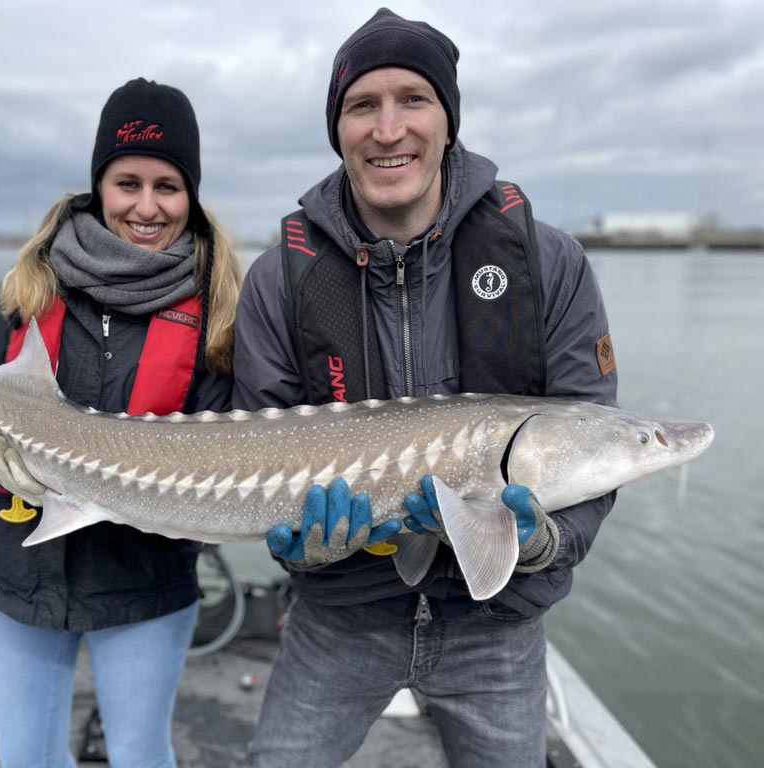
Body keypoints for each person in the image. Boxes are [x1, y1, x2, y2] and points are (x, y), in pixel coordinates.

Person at [233, 8, 618, 767]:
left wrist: (547, 543)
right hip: (340, 619)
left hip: (496, 626)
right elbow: (256, 452)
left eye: (413, 99)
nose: (388, 129)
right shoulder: (281, 279)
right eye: (361, 106)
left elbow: (593, 441)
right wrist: (305, 551)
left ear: (448, 121)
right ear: (338, 128)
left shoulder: (548, 263)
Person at [0, 78, 242, 768]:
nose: (146, 205)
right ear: (98, 184)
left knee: (141, 755)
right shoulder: (28, 285)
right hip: (20, 569)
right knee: (27, 758)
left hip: (144, 580)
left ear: (190, 193)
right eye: (127, 181)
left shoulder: (219, 308)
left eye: (168, 185)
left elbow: (227, 445)